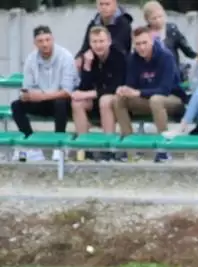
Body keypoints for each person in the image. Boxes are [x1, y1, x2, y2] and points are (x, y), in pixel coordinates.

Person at [112, 27, 187, 162]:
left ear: (152, 41)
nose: (141, 47)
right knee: (119, 99)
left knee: (156, 100)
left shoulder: (166, 57)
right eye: (138, 44)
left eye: (144, 43)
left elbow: (164, 89)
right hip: (147, 99)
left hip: (172, 98)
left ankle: (163, 149)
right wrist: (124, 90)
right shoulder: (133, 59)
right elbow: (131, 85)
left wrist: (138, 92)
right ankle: (130, 148)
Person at [12, 26, 75, 163]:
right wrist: (26, 95)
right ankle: (31, 144)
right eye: (40, 41)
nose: (45, 44)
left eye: (47, 40)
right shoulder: (31, 59)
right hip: (41, 100)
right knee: (16, 105)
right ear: (35, 43)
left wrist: (42, 96)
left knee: (60, 103)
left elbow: (67, 91)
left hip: (62, 101)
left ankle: (59, 145)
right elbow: (27, 87)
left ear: (53, 39)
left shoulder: (65, 57)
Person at [71, 25, 127, 161]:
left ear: (109, 41)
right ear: (90, 44)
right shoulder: (89, 58)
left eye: (101, 41)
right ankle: (84, 148)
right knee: (77, 103)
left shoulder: (119, 56)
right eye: (94, 42)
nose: (98, 45)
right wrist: (87, 66)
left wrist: (87, 94)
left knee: (105, 100)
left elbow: (115, 87)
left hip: (116, 99)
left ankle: (109, 148)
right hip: (95, 98)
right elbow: (84, 87)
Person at [143, 1, 197, 80]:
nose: (158, 20)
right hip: (152, 74)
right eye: (154, 18)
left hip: (172, 73)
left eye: (160, 16)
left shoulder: (172, 30)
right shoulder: (144, 34)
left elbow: (187, 49)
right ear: (147, 19)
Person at [75, 0, 133, 70]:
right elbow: (85, 46)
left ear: (115, 5)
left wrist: (91, 51)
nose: (104, 7)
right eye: (101, 4)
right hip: (96, 65)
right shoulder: (93, 24)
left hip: (118, 66)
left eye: (107, 4)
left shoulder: (124, 24)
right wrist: (80, 57)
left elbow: (117, 48)